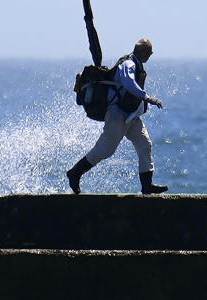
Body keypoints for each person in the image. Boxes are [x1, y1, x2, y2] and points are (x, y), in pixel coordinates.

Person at [66, 38, 168, 194]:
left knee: (144, 144)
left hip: (132, 115)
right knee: (105, 150)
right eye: (149, 52)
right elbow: (128, 82)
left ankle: (147, 186)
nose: (150, 55)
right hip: (117, 114)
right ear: (143, 52)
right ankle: (75, 173)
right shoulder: (129, 64)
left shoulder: (138, 65)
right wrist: (147, 97)